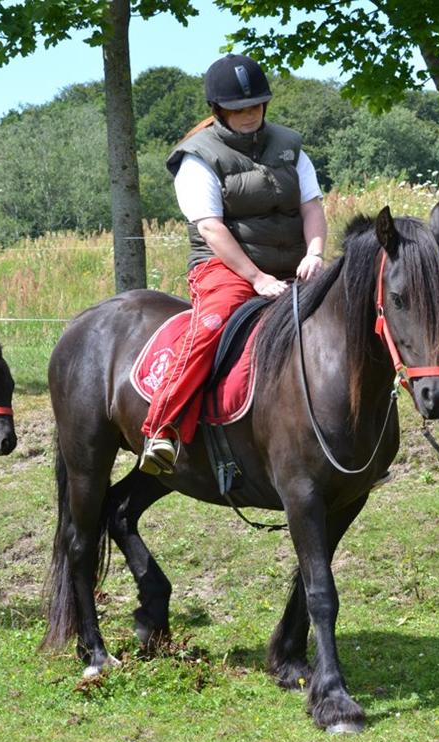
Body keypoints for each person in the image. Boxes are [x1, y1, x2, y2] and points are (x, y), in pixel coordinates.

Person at [139, 53, 327, 475]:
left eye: (256, 105)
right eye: (239, 108)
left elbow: (311, 206)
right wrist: (257, 278)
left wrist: (315, 253)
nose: (249, 114)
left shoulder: (291, 147)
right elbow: (211, 228)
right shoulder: (197, 157)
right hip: (224, 267)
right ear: (218, 109)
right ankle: (163, 427)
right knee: (212, 324)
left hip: (293, 263)